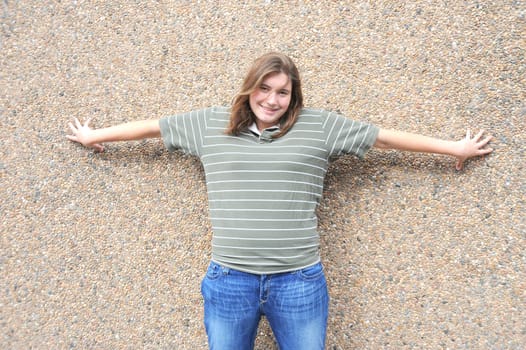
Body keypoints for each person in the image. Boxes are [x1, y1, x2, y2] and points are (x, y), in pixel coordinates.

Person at [67, 52, 493, 350]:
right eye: (264, 89)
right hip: (230, 280)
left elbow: (383, 137)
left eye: (283, 92)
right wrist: (93, 136)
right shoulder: (209, 124)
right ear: (249, 88)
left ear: (294, 96)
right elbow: (150, 129)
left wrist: (453, 149)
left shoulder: (319, 127)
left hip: (299, 283)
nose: (272, 100)